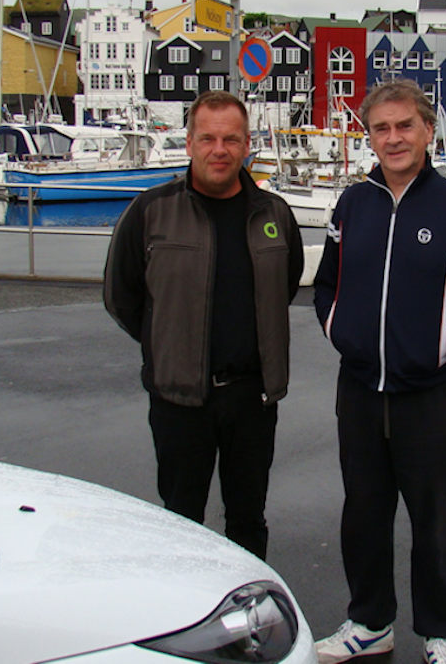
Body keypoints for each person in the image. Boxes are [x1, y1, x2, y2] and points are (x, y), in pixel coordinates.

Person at [313, 79, 446, 664]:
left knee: (435, 522)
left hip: (432, 396)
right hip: (360, 391)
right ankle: (369, 624)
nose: (393, 138)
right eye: (381, 128)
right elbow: (326, 285)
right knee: (363, 515)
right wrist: (339, 331)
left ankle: (439, 636)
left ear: (428, 130)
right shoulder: (352, 205)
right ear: (369, 136)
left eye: (404, 125)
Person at [104, 90, 304, 561]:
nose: (220, 150)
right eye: (208, 139)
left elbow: (285, 285)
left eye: (231, 139)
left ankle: (246, 603)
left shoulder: (274, 214)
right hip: (179, 400)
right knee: (180, 521)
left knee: (248, 520)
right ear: (190, 142)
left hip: (252, 398)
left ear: (247, 144)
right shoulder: (151, 211)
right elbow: (121, 295)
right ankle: (185, 604)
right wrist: (167, 343)